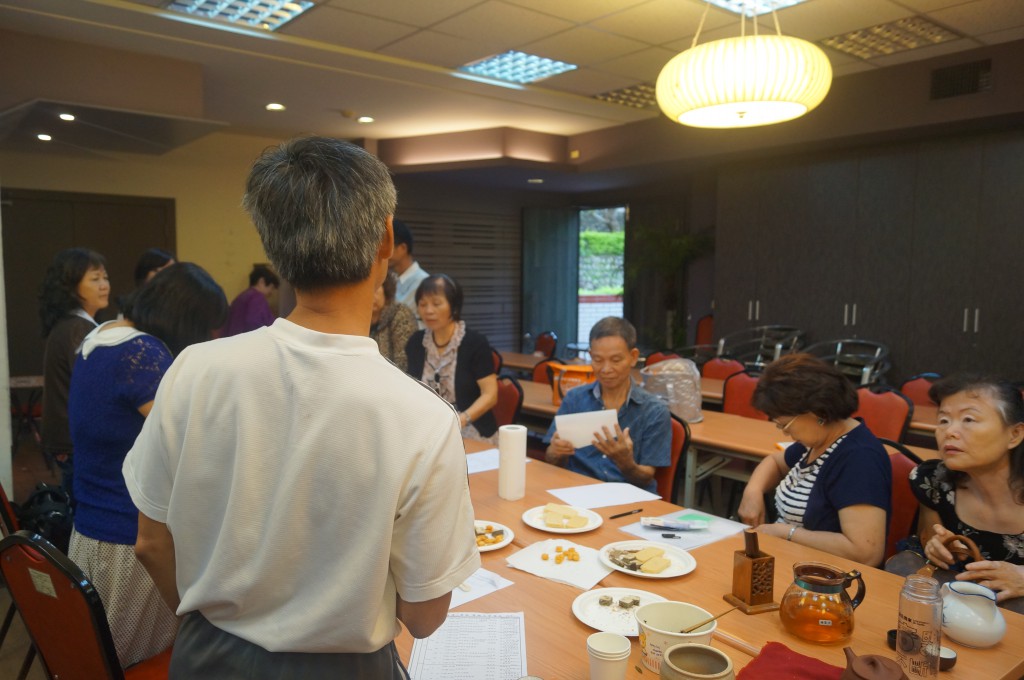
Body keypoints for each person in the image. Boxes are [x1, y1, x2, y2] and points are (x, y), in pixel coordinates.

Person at [123, 136, 479, 679]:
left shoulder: (193, 369)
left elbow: (151, 543)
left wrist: (220, 624)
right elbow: (425, 617)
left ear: (273, 244)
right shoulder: (424, 418)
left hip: (205, 657)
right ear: (387, 238)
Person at [68, 263, 227, 668]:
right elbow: (189, 443)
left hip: (89, 533)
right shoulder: (143, 353)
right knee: (143, 662)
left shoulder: (99, 336)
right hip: (131, 542)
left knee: (97, 660)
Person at [737, 353, 892, 566]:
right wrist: (753, 491)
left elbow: (865, 553)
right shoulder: (818, 440)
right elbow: (774, 462)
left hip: (829, 575)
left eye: (785, 425)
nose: (784, 433)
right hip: (794, 561)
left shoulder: (859, 458)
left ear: (817, 411)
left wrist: (785, 533)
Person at [911, 375, 1024, 604]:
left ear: (1014, 435)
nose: (950, 431)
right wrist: (936, 548)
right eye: (943, 420)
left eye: (969, 419)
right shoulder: (933, 481)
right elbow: (929, 538)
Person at [543, 317, 671, 493]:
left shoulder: (654, 411)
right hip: (577, 491)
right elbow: (551, 459)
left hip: (628, 497)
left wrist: (625, 462)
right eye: (597, 360)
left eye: (616, 360)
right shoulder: (574, 399)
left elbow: (646, 477)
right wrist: (555, 452)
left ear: (633, 357)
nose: (606, 369)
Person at [38, 247, 110, 497]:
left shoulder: (73, 324)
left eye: (105, 277)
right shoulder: (78, 328)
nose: (104, 285)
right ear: (70, 287)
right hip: (74, 441)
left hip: (69, 438)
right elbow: (95, 386)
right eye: (95, 279)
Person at [405, 274, 498, 443]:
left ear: (454, 306)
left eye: (436, 304)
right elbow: (411, 391)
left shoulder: (474, 343)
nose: (428, 311)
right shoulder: (416, 342)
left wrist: (461, 420)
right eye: (423, 304)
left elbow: (490, 395)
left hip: (470, 429)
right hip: (429, 430)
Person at [371, 270, 417, 371]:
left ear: (386, 291)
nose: (371, 296)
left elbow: (403, 361)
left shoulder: (400, 313)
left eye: (375, 290)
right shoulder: (358, 316)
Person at [221, 264, 279, 336]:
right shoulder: (257, 298)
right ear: (261, 282)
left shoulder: (241, 297)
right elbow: (254, 323)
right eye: (271, 287)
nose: (271, 292)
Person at [388, 219, 429, 318]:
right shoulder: (389, 280)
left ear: (403, 248)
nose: (382, 253)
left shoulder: (424, 282)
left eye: (387, 247)